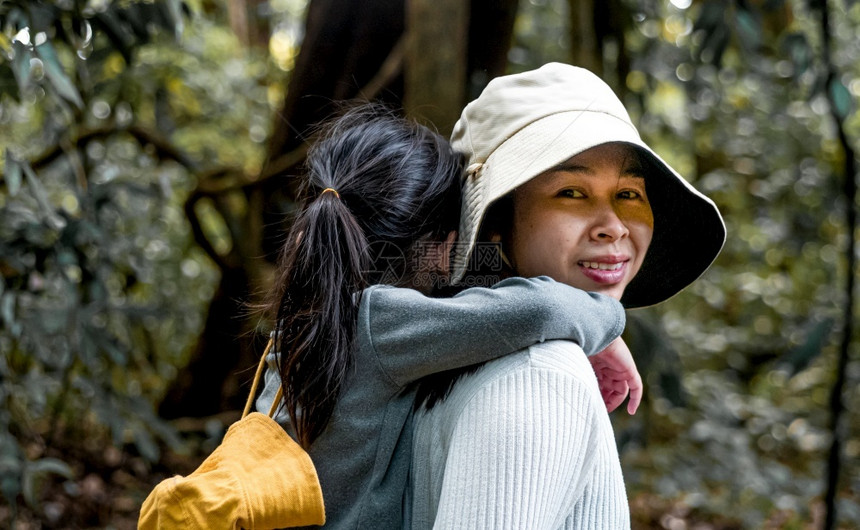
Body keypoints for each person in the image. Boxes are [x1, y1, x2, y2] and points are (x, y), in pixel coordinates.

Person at [254, 103, 645, 528]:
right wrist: (606, 324)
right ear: (446, 249)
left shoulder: (309, 321)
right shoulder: (377, 324)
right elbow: (538, 309)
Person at [410, 63, 726, 529]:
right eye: (572, 192)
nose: (613, 225)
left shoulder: (440, 352)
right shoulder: (539, 378)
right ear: (494, 225)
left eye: (629, 193)